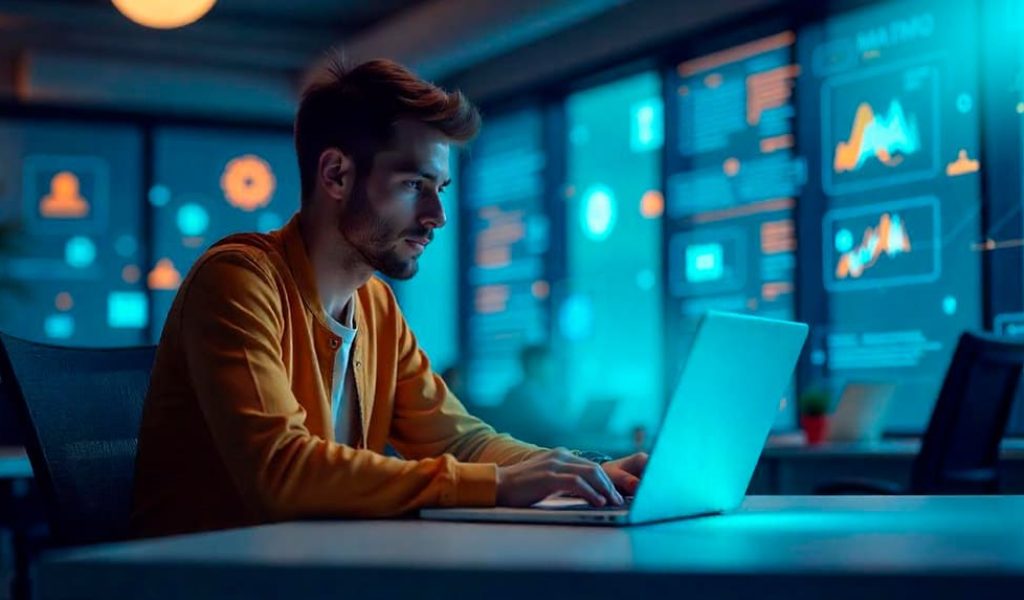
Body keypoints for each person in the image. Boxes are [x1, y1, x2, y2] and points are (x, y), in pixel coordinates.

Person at [131, 57, 647, 538]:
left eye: (440, 188)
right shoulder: (238, 283)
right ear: (336, 174)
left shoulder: (376, 306)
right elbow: (281, 472)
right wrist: (496, 483)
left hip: (310, 572)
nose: (436, 216)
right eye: (413, 184)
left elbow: (460, 442)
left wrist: (590, 472)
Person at [498, 345, 569, 447]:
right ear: (534, 364)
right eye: (549, 363)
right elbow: (548, 428)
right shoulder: (523, 394)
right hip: (529, 452)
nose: (553, 369)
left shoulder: (538, 392)